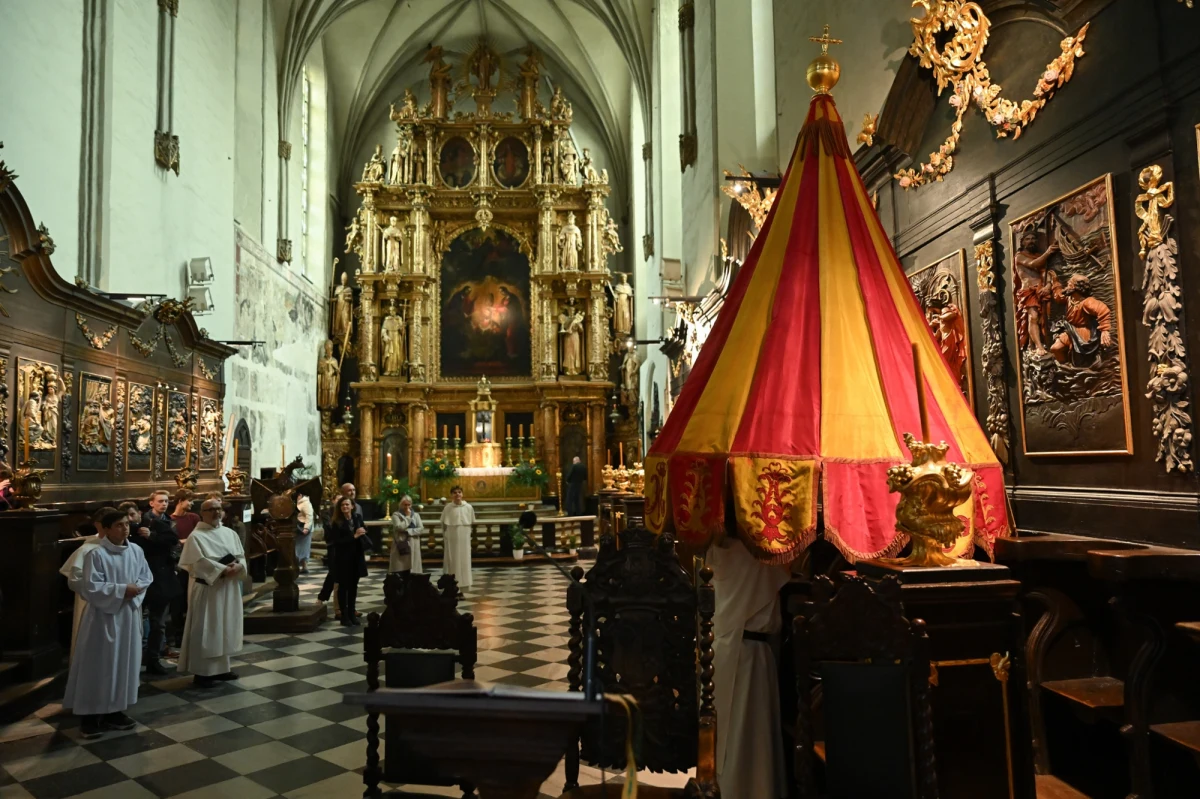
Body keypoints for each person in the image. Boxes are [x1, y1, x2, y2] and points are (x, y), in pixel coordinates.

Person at [708, 537, 791, 799]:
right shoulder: (764, 554)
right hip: (752, 656)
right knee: (750, 738)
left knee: (732, 737)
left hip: (723, 652)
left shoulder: (716, 549)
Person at [61, 509, 153, 739]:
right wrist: (122, 590)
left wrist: (136, 591)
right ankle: (90, 717)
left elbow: (146, 576)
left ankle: (116, 710)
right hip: (103, 618)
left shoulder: (136, 550)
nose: (125, 528)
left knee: (124, 662)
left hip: (128, 615)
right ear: (107, 529)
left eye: (126, 524)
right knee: (98, 664)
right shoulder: (96, 554)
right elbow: (91, 587)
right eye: (119, 525)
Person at [178, 498, 247, 686]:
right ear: (203, 513)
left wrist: (239, 566)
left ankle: (222, 669)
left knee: (224, 626)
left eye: (219, 508)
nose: (216, 512)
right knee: (207, 628)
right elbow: (196, 563)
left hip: (228, 587)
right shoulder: (196, 536)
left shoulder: (229, 533)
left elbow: (240, 555)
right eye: (211, 509)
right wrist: (222, 570)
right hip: (208, 588)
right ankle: (202, 673)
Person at [133, 490, 182, 675]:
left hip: (163, 577)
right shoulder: (141, 521)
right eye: (160, 501)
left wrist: (153, 537)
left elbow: (172, 540)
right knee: (139, 620)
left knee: (158, 622)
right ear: (151, 503)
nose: (164, 504)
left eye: (167, 501)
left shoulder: (168, 522)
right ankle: (137, 657)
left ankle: (153, 659)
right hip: (144, 575)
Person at [59, 507, 118, 660]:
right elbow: (75, 578)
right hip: (92, 604)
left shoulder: (125, 547)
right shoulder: (88, 548)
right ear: (99, 525)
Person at [318, 483, 364, 609]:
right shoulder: (330, 514)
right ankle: (337, 607)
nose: (352, 492)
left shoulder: (357, 508)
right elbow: (332, 532)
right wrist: (351, 535)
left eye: (354, 490)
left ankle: (349, 608)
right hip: (336, 547)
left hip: (353, 549)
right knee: (336, 576)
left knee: (347, 579)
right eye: (350, 490)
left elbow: (359, 524)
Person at [326, 496, 369, 626]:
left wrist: (362, 531)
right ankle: (344, 615)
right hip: (342, 558)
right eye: (342, 505)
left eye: (347, 504)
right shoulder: (336, 522)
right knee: (343, 587)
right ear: (340, 508)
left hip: (356, 557)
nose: (345, 507)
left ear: (352, 506)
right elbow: (336, 541)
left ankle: (352, 613)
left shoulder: (357, 518)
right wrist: (353, 536)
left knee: (353, 587)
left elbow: (364, 528)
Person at [440, 486, 475, 592]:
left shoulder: (468, 507)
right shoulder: (448, 508)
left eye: (459, 492)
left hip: (464, 536)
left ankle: (464, 587)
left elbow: (471, 522)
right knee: (453, 559)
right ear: (451, 495)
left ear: (462, 494)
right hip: (452, 536)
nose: (457, 494)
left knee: (465, 560)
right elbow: (444, 524)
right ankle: (453, 586)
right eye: (455, 492)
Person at [390, 495, 423, 573]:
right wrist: (408, 517)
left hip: (414, 543)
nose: (407, 507)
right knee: (402, 567)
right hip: (402, 542)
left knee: (413, 568)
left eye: (409, 505)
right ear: (401, 505)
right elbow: (400, 527)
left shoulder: (416, 515)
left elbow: (421, 529)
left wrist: (408, 531)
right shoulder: (396, 515)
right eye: (405, 505)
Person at [295, 493, 314, 574]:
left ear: (300, 495)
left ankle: (304, 566)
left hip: (304, 529)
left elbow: (309, 516)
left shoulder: (305, 503)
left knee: (303, 549)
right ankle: (302, 566)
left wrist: (306, 528)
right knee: (299, 548)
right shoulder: (298, 502)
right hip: (298, 528)